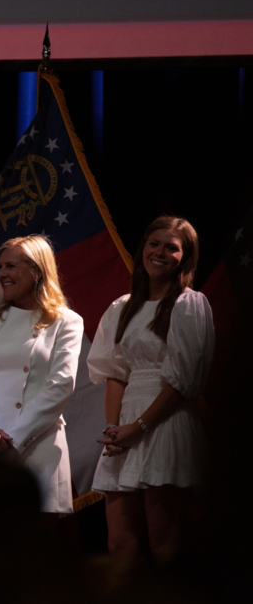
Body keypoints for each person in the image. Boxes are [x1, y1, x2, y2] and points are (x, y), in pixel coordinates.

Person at [89, 216, 214, 562]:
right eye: (153, 243)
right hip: (125, 428)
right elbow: (115, 373)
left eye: (171, 247)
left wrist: (139, 427)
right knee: (119, 545)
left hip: (165, 423)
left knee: (164, 544)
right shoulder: (121, 307)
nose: (159, 252)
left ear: (185, 257)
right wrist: (114, 429)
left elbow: (183, 381)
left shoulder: (189, 304)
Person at [0, 234, 84, 514]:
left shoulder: (66, 322)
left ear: (37, 270)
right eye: (0, 267)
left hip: (38, 449)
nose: (2, 274)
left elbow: (61, 385)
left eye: (11, 266)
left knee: (34, 549)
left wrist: (13, 442)